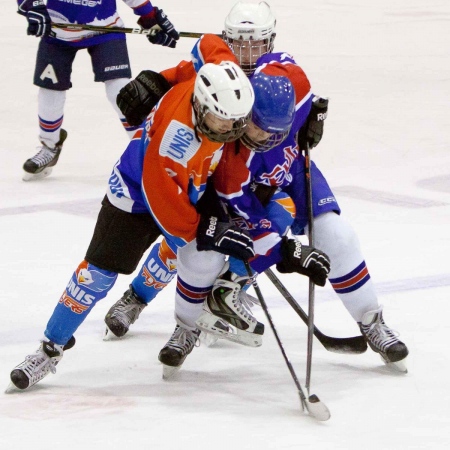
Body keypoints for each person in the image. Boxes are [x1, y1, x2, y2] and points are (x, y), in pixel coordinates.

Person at [107, 1, 409, 372]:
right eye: (239, 44)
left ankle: (370, 320)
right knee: (189, 246)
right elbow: (193, 65)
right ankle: (160, 309)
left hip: (286, 171)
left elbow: (300, 99)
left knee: (338, 237)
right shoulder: (221, 87)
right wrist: (160, 81)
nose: (247, 55)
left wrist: (312, 117)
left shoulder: (290, 79)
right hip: (228, 182)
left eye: (257, 44)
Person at [8, 61, 256, 391]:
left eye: (234, 120)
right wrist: (209, 230)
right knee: (94, 276)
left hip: (186, 184)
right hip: (137, 193)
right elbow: (165, 206)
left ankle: (148, 306)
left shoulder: (205, 94)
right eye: (221, 118)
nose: (229, 127)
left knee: (189, 256)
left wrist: (164, 75)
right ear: (200, 104)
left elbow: (207, 48)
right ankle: (49, 349)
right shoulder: (175, 140)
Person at [17, 0, 179, 181]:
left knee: (120, 90)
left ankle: (144, 149)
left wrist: (149, 17)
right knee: (50, 90)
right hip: (56, 32)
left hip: (106, 30)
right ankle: (49, 145)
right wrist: (33, 7)